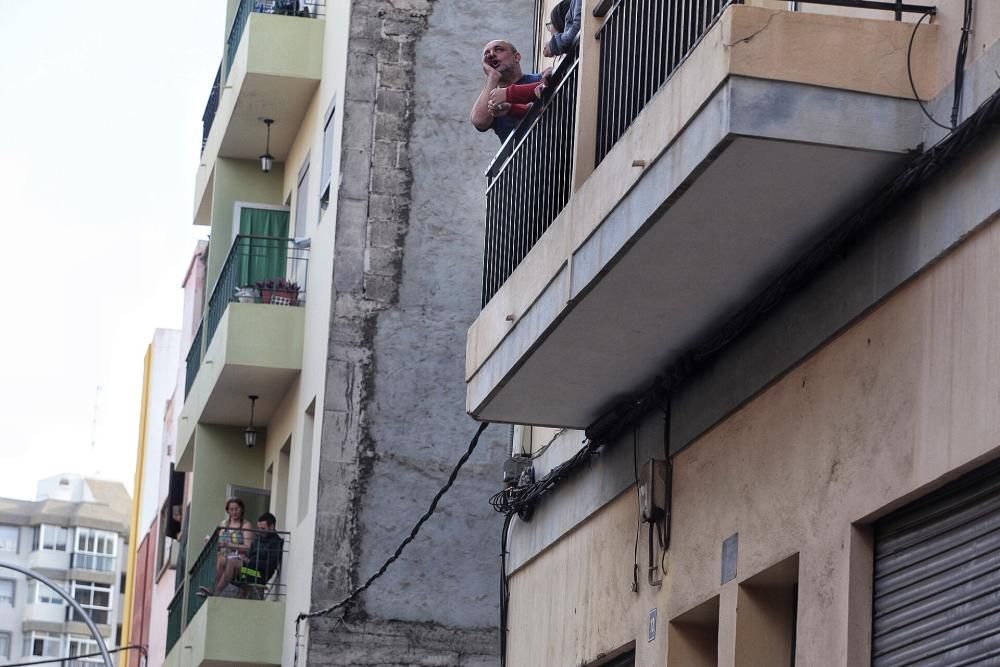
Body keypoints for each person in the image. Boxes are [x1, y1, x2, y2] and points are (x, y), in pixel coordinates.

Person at [470, 40, 546, 142]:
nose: (491, 55)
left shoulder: (541, 79)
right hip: (523, 158)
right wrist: (492, 77)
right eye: (487, 54)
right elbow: (479, 121)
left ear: (516, 57)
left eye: (498, 49)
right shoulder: (494, 99)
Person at [199, 497, 253, 597]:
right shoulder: (225, 524)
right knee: (220, 559)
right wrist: (212, 542)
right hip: (225, 556)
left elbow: (248, 546)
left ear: (241, 509)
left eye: (236, 509)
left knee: (224, 560)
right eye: (231, 509)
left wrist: (229, 545)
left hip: (241, 559)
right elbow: (220, 542)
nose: (234, 512)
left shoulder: (246, 525)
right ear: (228, 511)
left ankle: (216, 591)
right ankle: (212, 589)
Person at [239, 513, 284, 598]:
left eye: (263, 528)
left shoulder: (276, 542)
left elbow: (270, 565)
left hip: (259, 575)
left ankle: (216, 591)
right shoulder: (257, 540)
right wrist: (244, 559)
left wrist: (249, 561)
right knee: (225, 561)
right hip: (248, 571)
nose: (260, 531)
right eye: (259, 528)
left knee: (233, 565)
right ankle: (215, 591)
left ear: (271, 527)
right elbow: (249, 556)